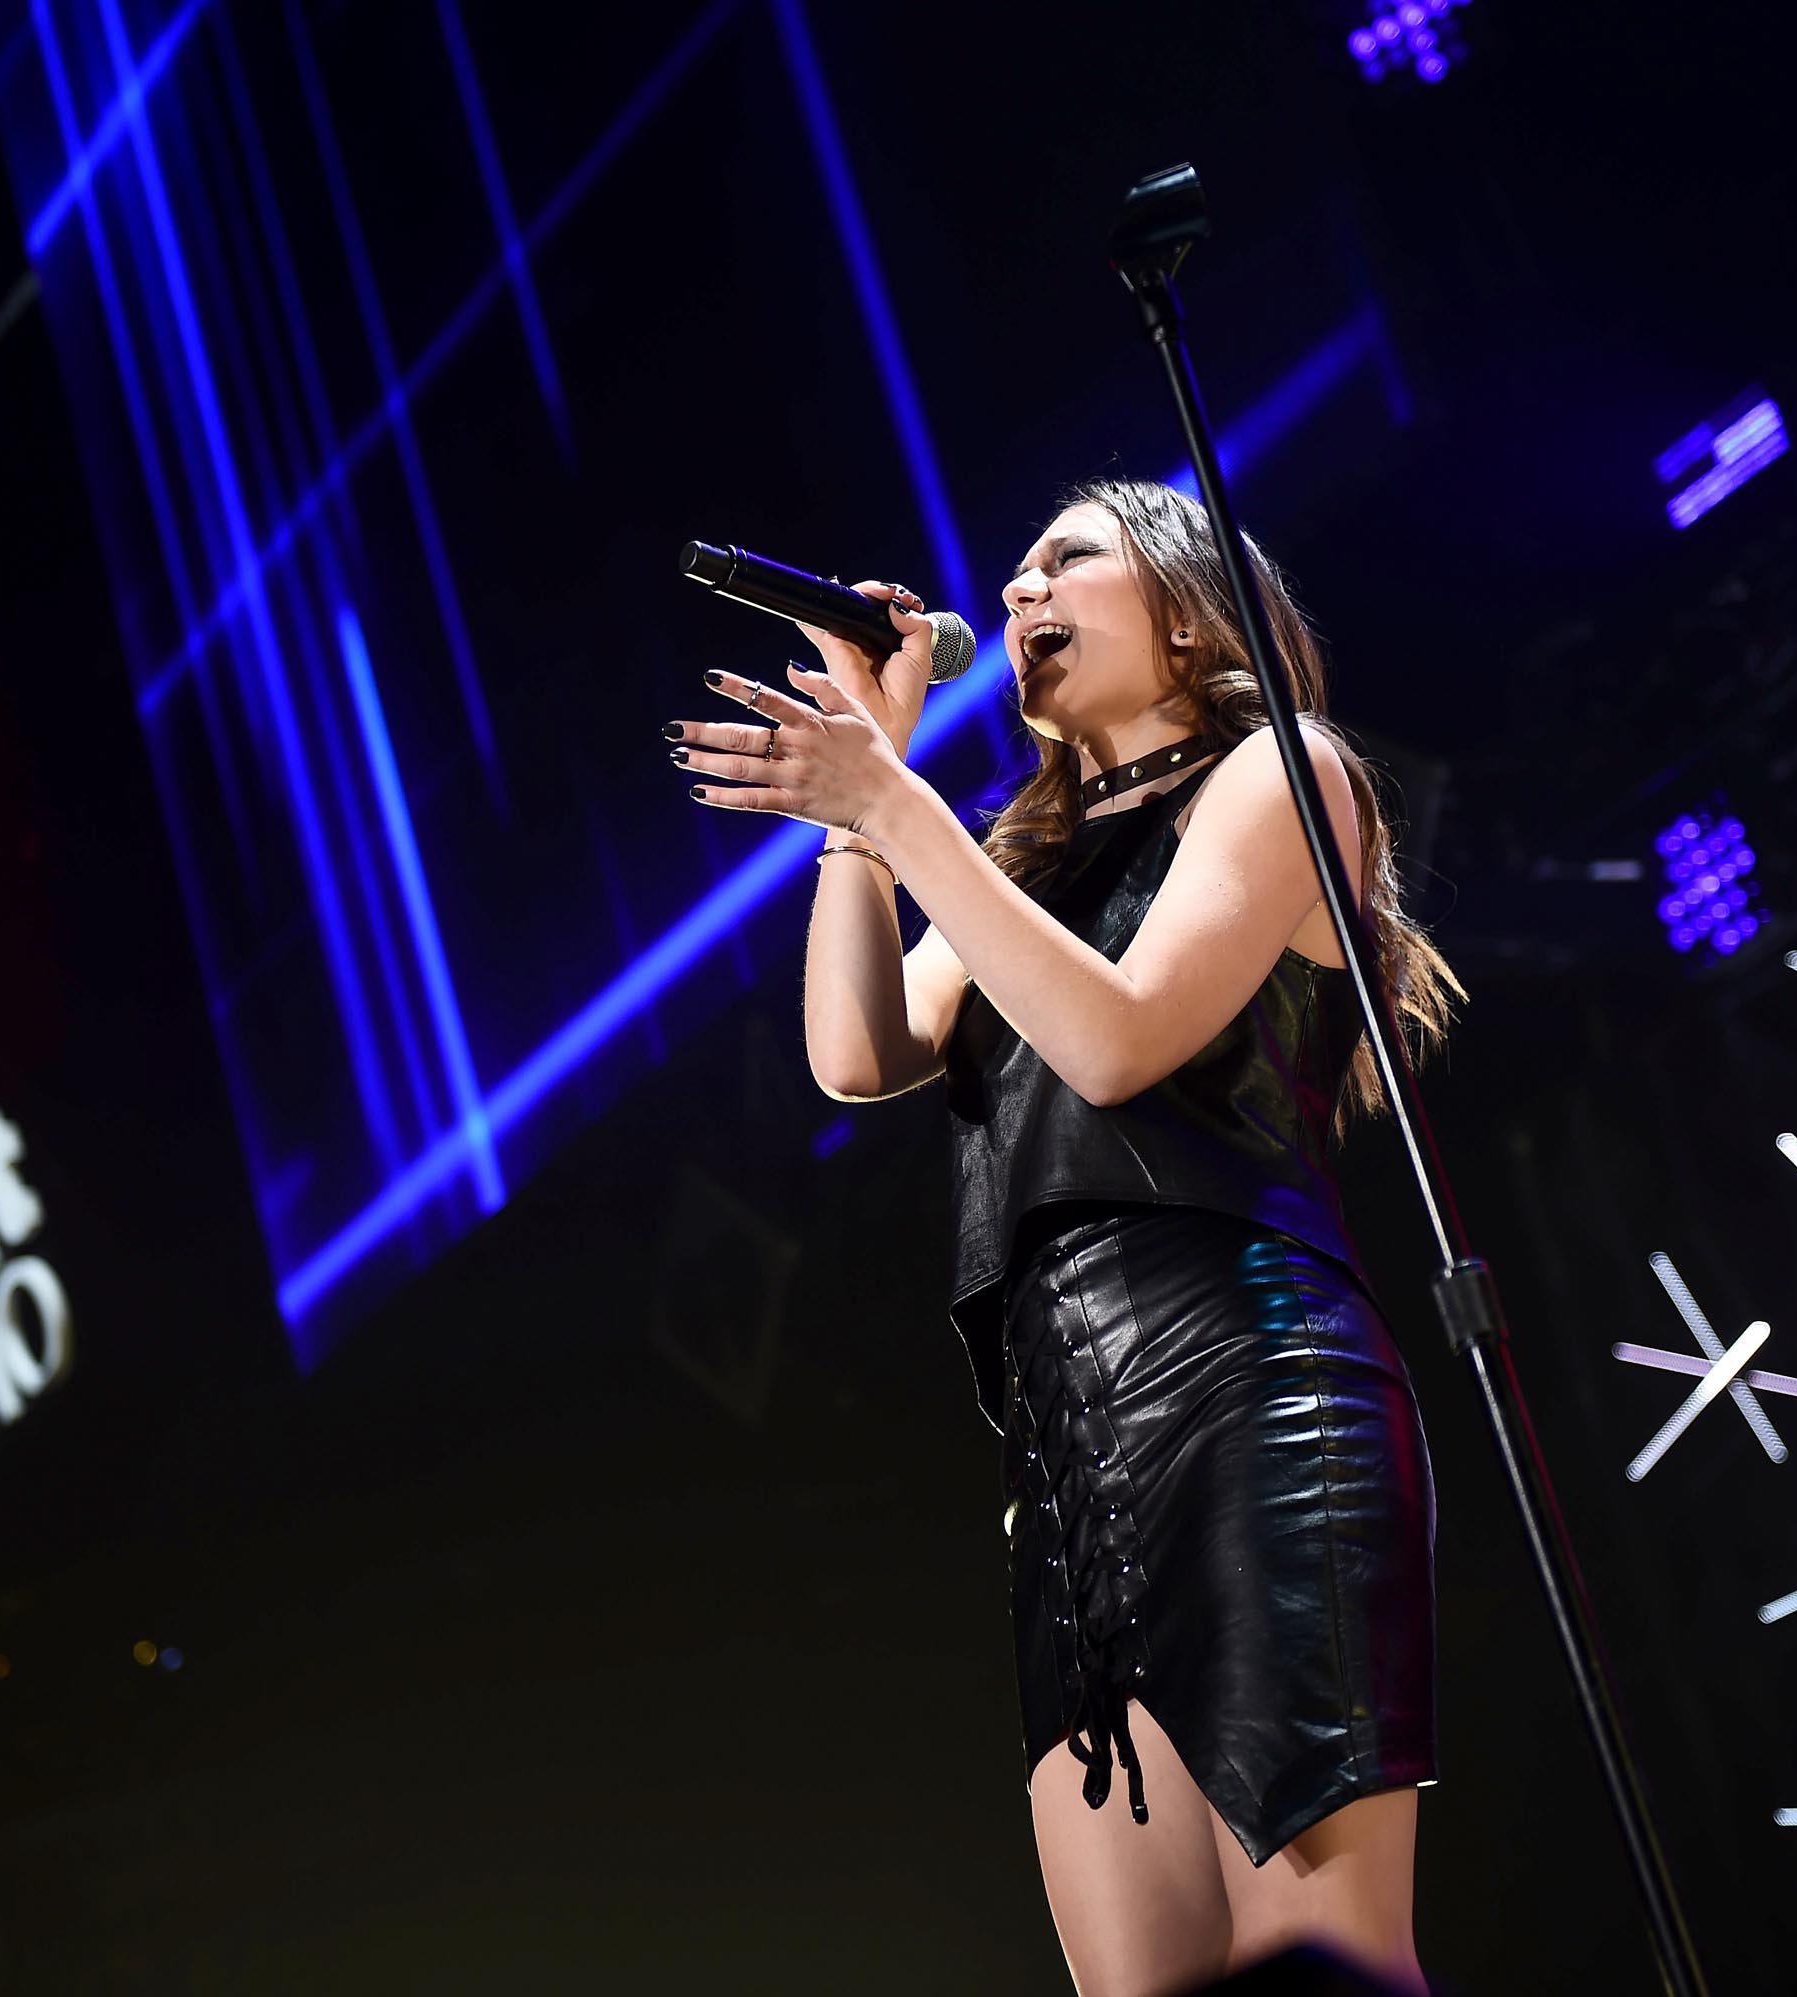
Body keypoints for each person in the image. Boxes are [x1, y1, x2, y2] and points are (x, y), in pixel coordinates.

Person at [667, 478, 1459, 1996]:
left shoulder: (1282, 775)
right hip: (1067, 1472)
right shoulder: (1023, 864)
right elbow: (861, 1045)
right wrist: (873, 787)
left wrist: (897, 809)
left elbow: (1120, 1041)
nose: (1020, 590)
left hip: (1247, 1388)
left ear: (1184, 605)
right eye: (1014, 571)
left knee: (1323, 1961)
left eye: (1066, 561)